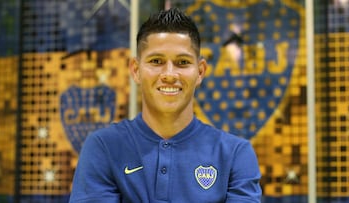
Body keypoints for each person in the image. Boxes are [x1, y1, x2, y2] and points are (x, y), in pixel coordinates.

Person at [69, 7, 262, 203]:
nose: (169, 74)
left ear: (200, 72)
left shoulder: (235, 154)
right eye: (156, 61)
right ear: (136, 70)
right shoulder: (103, 147)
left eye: (182, 62)